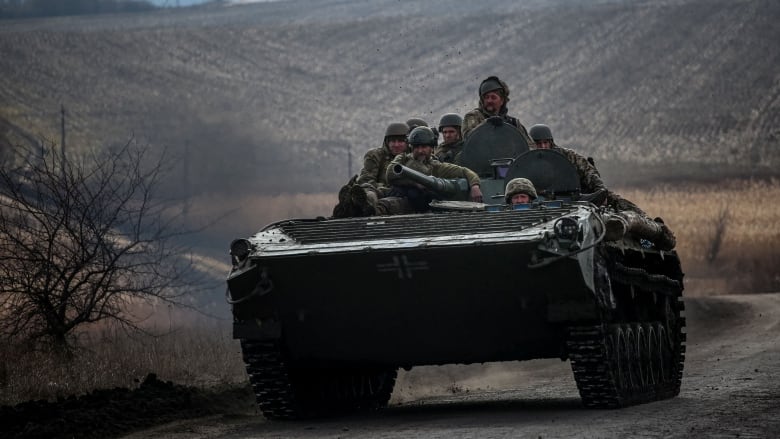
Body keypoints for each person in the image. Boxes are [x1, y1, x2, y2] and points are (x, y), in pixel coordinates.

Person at [528, 123, 676, 249]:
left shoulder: (566, 156)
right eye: (538, 143)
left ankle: (652, 230)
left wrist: (599, 191)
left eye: (545, 142)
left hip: (577, 196)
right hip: (545, 202)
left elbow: (589, 172)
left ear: (551, 142)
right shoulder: (527, 163)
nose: (543, 146)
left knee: (617, 202)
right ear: (532, 144)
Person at [352, 126, 483, 216]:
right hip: (392, 191)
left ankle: (367, 209)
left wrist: (475, 185)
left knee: (387, 205)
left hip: (410, 202)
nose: (420, 151)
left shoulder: (436, 166)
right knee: (370, 192)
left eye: (424, 147)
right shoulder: (402, 158)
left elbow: (465, 171)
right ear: (411, 148)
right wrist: (414, 182)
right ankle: (356, 202)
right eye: (417, 147)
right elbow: (390, 174)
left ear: (431, 148)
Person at [332, 122, 408, 218]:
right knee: (369, 194)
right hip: (375, 191)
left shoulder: (411, 159)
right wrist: (382, 189)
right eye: (393, 141)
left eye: (400, 141)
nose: (396, 145)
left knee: (388, 203)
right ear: (387, 142)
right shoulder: (376, 156)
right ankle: (351, 204)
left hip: (396, 197)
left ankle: (355, 206)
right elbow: (366, 179)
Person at [461, 76, 534, 147]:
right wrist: (486, 124)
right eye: (486, 97)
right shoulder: (473, 117)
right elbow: (468, 139)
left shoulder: (513, 123)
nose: (489, 100)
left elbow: (530, 147)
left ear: (502, 101)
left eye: (493, 97)